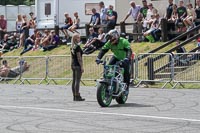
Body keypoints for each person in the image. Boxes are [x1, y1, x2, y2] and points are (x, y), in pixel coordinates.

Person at [96, 29, 132, 95]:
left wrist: (127, 58)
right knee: (108, 67)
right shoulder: (109, 43)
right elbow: (103, 50)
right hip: (116, 57)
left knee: (126, 72)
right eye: (109, 38)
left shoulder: (124, 41)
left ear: (116, 36)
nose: (110, 40)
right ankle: (107, 81)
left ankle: (126, 88)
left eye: (110, 37)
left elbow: (129, 51)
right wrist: (98, 58)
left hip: (125, 59)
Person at [70, 33, 85, 101]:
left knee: (74, 80)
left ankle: (74, 95)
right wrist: (82, 66)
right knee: (77, 81)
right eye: (78, 37)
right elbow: (79, 58)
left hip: (73, 64)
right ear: (76, 39)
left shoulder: (72, 46)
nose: (80, 39)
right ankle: (77, 95)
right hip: (77, 65)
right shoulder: (77, 47)